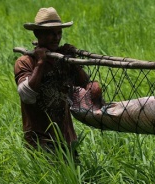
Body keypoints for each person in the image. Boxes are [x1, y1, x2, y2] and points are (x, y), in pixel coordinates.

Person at [14, 7, 98, 158]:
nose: (56, 37)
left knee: (76, 179)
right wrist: (40, 63)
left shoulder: (61, 59)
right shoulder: (25, 62)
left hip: (66, 138)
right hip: (40, 141)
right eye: (50, 33)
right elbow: (26, 95)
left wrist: (73, 62)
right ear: (37, 34)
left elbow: (86, 85)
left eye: (59, 32)